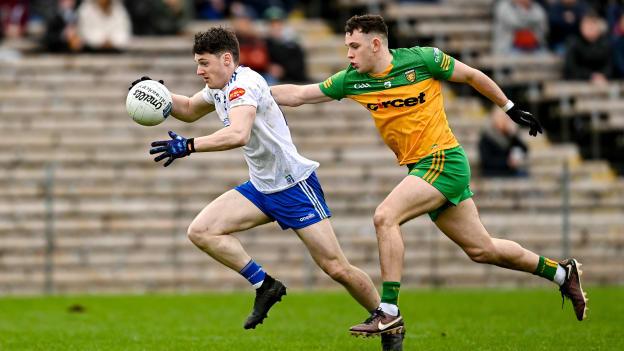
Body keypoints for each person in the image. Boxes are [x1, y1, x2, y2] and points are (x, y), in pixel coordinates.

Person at [271, 14, 588, 351]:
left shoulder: (422, 59)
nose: (348, 54)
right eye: (347, 46)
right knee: (482, 249)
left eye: (354, 46)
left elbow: (471, 75)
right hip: (422, 169)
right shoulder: (353, 80)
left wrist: (508, 107)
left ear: (376, 44)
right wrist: (250, 92)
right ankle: (561, 273)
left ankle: (388, 310)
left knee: (385, 216)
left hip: (444, 160)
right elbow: (300, 94)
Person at [130, 27, 380, 331]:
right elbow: (188, 109)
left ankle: (385, 315)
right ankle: (265, 285)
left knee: (336, 267)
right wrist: (158, 95)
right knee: (202, 231)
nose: (199, 71)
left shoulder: (243, 85)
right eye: (197, 63)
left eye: (204, 63)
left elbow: (238, 134)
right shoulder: (218, 88)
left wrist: (189, 146)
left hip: (293, 186)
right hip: (262, 187)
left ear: (226, 59)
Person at [563, 11, 612, 83]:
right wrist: (591, 76)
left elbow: (609, 66)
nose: (590, 28)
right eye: (587, 24)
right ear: (581, 26)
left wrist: (602, 76)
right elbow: (570, 69)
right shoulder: (573, 43)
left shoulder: (605, 44)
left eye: (593, 24)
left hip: (601, 83)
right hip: (577, 84)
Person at [478, 107, 529, 177]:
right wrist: (507, 163)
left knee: (525, 174)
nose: (505, 120)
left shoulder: (509, 136)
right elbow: (486, 161)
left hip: (510, 172)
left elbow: (524, 149)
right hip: (493, 173)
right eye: (502, 118)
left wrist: (514, 135)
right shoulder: (487, 137)